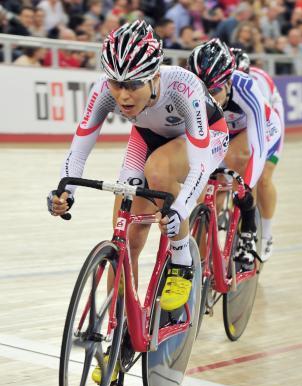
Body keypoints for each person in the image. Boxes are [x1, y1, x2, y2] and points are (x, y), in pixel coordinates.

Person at [47, 20, 229, 313]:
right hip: (147, 137)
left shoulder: (183, 86)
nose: (123, 96)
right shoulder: (103, 91)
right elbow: (78, 150)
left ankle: (181, 260)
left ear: (154, 76)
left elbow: (200, 166)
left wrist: (180, 208)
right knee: (126, 233)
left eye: (133, 84)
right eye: (117, 84)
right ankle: (116, 337)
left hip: (207, 139)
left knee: (158, 169)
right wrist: (65, 192)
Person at [187, 39, 282, 265]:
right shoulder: (188, 89)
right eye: (202, 90)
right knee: (209, 186)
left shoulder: (248, 88)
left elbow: (258, 145)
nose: (207, 98)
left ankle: (253, 232)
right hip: (225, 128)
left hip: (263, 126)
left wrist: (247, 186)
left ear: (229, 83)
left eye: (215, 90)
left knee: (257, 174)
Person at [231, 48, 285, 261]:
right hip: (239, 121)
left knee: (262, 178)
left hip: (270, 122)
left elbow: (260, 132)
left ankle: (267, 234)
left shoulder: (255, 85)